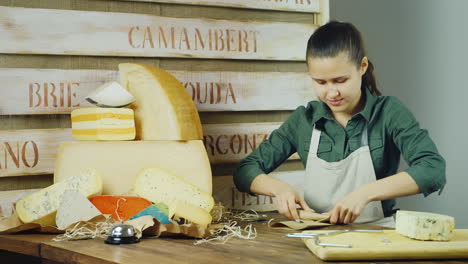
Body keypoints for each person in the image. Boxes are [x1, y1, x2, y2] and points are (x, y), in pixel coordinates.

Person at [233, 21, 446, 227]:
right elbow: (245, 171)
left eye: (340, 80)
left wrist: (365, 193)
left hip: (379, 234)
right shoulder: (303, 120)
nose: (332, 93)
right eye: (321, 82)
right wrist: (278, 189)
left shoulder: (389, 112)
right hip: (317, 237)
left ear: (362, 67)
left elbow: (432, 169)